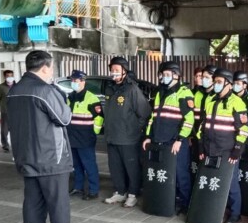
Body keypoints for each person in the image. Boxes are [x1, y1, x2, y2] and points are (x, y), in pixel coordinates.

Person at [7, 50, 88, 223]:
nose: (52, 72)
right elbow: (64, 118)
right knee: (58, 205)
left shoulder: (14, 90)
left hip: (26, 157)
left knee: (33, 205)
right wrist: (58, 93)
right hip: (51, 158)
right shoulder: (44, 90)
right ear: (44, 68)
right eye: (51, 68)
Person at [142, 61, 195, 214]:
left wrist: (180, 139)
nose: (163, 77)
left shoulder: (184, 93)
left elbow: (189, 120)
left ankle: (185, 204)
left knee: (180, 173)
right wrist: (148, 136)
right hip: (160, 140)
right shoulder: (160, 93)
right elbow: (154, 117)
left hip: (175, 142)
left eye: (167, 74)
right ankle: (170, 200)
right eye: (162, 74)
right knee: (165, 174)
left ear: (176, 75)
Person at [198, 69, 248, 223]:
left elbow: (244, 129)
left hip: (228, 150)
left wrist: (237, 150)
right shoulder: (209, 99)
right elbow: (203, 125)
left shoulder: (237, 102)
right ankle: (212, 210)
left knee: (231, 183)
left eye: (219, 82)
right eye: (215, 81)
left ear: (228, 83)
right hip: (210, 148)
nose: (216, 84)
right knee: (211, 180)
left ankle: (235, 213)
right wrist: (201, 147)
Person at [103, 56, 152, 208]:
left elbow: (144, 113)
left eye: (117, 70)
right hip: (112, 136)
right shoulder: (110, 88)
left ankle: (132, 194)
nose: (114, 73)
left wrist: (134, 128)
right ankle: (119, 191)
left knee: (132, 167)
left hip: (129, 138)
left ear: (124, 71)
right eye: (112, 70)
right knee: (115, 167)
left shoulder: (132, 89)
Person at [66, 70, 103, 200]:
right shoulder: (70, 97)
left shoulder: (91, 98)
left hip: (85, 137)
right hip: (72, 137)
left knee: (89, 165)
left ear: (83, 81)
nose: (73, 83)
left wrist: (94, 132)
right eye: (72, 81)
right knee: (76, 165)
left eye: (75, 81)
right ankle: (78, 187)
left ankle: (93, 190)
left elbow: (99, 118)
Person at [0, 69, 15, 152]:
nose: (9, 77)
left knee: (16, 130)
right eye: (7, 76)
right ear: (4, 77)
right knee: (4, 130)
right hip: (5, 112)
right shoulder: (1, 87)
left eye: (11, 76)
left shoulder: (17, 86)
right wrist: (3, 105)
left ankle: (16, 145)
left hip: (16, 112)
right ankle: (5, 145)